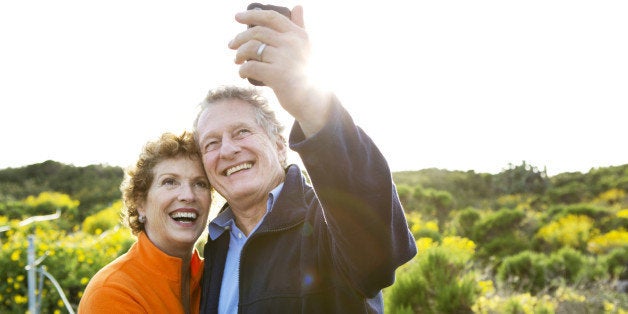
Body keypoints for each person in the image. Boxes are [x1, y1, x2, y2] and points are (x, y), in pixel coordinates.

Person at [195, 5, 417, 313]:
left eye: (242, 132)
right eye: (212, 143)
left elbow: (378, 253)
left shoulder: (324, 221)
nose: (228, 150)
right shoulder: (213, 247)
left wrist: (311, 103)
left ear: (279, 145)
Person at [78, 131, 212, 314]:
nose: (188, 195)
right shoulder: (112, 291)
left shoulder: (216, 278)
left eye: (200, 183)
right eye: (170, 181)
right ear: (140, 203)